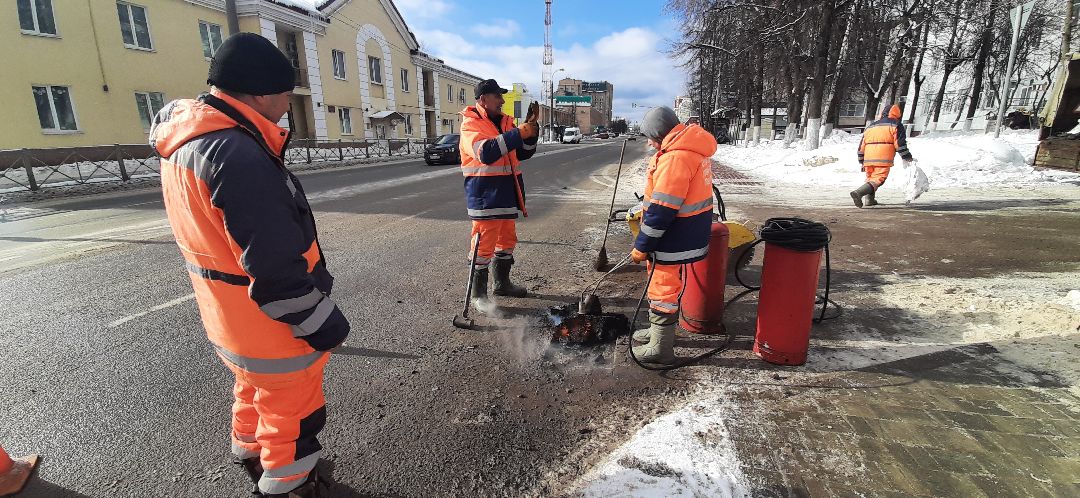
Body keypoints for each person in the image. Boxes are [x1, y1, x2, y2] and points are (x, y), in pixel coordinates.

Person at [150, 33, 349, 498]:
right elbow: (277, 271)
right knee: (293, 420)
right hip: (270, 330)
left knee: (251, 392)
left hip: (229, 319)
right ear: (261, 92)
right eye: (286, 94)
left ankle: (251, 455)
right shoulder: (237, 154)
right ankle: (291, 484)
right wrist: (322, 323)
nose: (287, 104)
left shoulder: (190, 142)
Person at [630, 107, 717, 364]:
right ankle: (658, 331)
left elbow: (661, 210)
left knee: (662, 290)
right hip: (682, 233)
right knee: (661, 284)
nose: (648, 142)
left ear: (661, 133)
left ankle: (661, 347)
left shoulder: (676, 158)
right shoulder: (688, 150)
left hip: (673, 235)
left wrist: (642, 245)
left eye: (650, 136)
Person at [458, 79, 540, 307]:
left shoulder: (505, 123)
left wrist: (531, 131)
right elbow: (486, 152)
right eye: (498, 96)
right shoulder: (470, 125)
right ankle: (478, 296)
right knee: (483, 246)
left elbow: (523, 153)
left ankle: (502, 284)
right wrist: (518, 133)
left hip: (507, 193)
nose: (502, 101)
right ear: (483, 99)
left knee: (506, 241)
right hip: (485, 196)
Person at [852, 104, 914, 208]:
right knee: (878, 179)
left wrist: (861, 159)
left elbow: (862, 145)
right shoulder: (895, 124)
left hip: (868, 158)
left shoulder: (872, 126)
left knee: (870, 178)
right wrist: (906, 156)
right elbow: (899, 144)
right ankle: (858, 193)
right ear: (897, 114)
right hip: (883, 158)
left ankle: (869, 200)